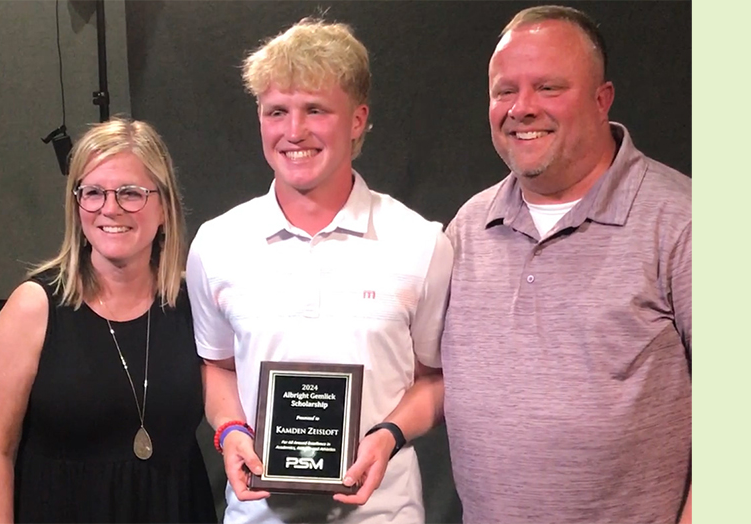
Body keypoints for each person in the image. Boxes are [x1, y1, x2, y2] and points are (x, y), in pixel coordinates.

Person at [186, 17, 453, 524]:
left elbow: (436, 380)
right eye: (276, 111)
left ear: (357, 120)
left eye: (315, 110)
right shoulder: (217, 245)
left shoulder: (420, 243)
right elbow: (217, 367)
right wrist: (230, 431)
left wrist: (388, 435)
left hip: (383, 515)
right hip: (256, 516)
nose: (294, 131)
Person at [441, 5, 691, 524]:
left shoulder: (684, 221)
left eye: (549, 88)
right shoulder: (469, 226)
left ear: (603, 100)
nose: (522, 108)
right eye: (505, 91)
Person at [0, 117, 217, 523]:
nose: (110, 208)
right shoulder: (33, 308)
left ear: (164, 207)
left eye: (130, 193)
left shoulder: (194, 301)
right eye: (93, 193)